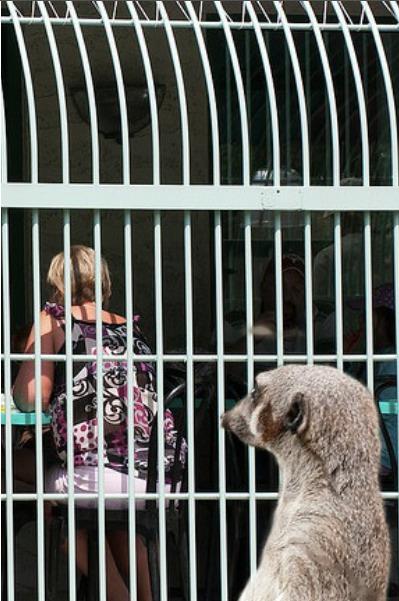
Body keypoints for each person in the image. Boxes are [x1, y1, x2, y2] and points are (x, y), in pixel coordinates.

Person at [13, 245, 184, 601]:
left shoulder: (54, 320)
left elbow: (31, 396)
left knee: (30, 485)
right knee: (113, 517)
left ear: (57, 283)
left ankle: (116, 594)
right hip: (156, 477)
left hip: (99, 475)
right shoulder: (128, 327)